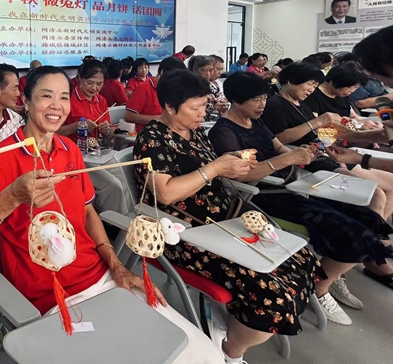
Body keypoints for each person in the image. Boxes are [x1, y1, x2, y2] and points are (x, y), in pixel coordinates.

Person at [0, 66, 223, 364]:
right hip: (51, 296)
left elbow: (86, 211)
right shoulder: (2, 157)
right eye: (46, 96)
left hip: (101, 276)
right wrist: (12, 196)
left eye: (63, 97)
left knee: (203, 355)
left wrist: (116, 265)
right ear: (26, 102)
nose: (57, 105)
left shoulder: (70, 150)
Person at [133, 70, 324, 363]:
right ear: (170, 107)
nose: (203, 114)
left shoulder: (196, 132)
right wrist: (216, 168)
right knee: (272, 292)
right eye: (196, 108)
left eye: (204, 106)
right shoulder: (152, 139)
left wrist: (233, 163)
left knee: (302, 259)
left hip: (224, 221)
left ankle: (235, 324)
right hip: (185, 233)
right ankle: (231, 351)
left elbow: (216, 168)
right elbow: (166, 193)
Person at [210, 72, 393, 316]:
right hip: (265, 196)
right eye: (256, 99)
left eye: (264, 98)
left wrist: (306, 153)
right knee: (356, 234)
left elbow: (279, 147)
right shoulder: (223, 132)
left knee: (369, 219)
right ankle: (320, 287)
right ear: (235, 99)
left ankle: (327, 276)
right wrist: (288, 159)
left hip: (294, 186)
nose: (262, 104)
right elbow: (241, 175)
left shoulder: (256, 122)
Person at [261, 63, 393, 219]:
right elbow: (278, 138)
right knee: (376, 195)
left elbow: (315, 134)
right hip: (312, 162)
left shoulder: (301, 105)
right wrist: (317, 122)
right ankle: (374, 232)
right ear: (290, 81)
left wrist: (336, 137)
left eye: (314, 85)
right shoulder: (275, 105)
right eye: (309, 84)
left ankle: (379, 231)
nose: (311, 89)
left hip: (327, 154)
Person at [57, 60, 129, 214]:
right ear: (80, 79)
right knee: (113, 184)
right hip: (74, 156)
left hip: (96, 153)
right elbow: (54, 132)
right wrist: (77, 126)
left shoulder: (101, 101)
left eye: (99, 84)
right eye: (90, 83)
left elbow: (109, 136)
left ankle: (127, 217)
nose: (94, 88)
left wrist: (106, 130)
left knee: (126, 177)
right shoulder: (67, 99)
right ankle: (113, 221)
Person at [303, 61, 380, 129]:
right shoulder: (313, 95)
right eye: (348, 87)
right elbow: (314, 126)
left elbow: (354, 116)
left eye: (356, 87)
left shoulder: (342, 95)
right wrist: (355, 125)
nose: (351, 91)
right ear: (333, 82)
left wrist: (366, 123)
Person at [125, 57, 184, 133]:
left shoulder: (169, 88)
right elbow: (129, 116)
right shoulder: (143, 88)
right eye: (173, 79)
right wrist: (159, 119)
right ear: (163, 72)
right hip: (148, 133)